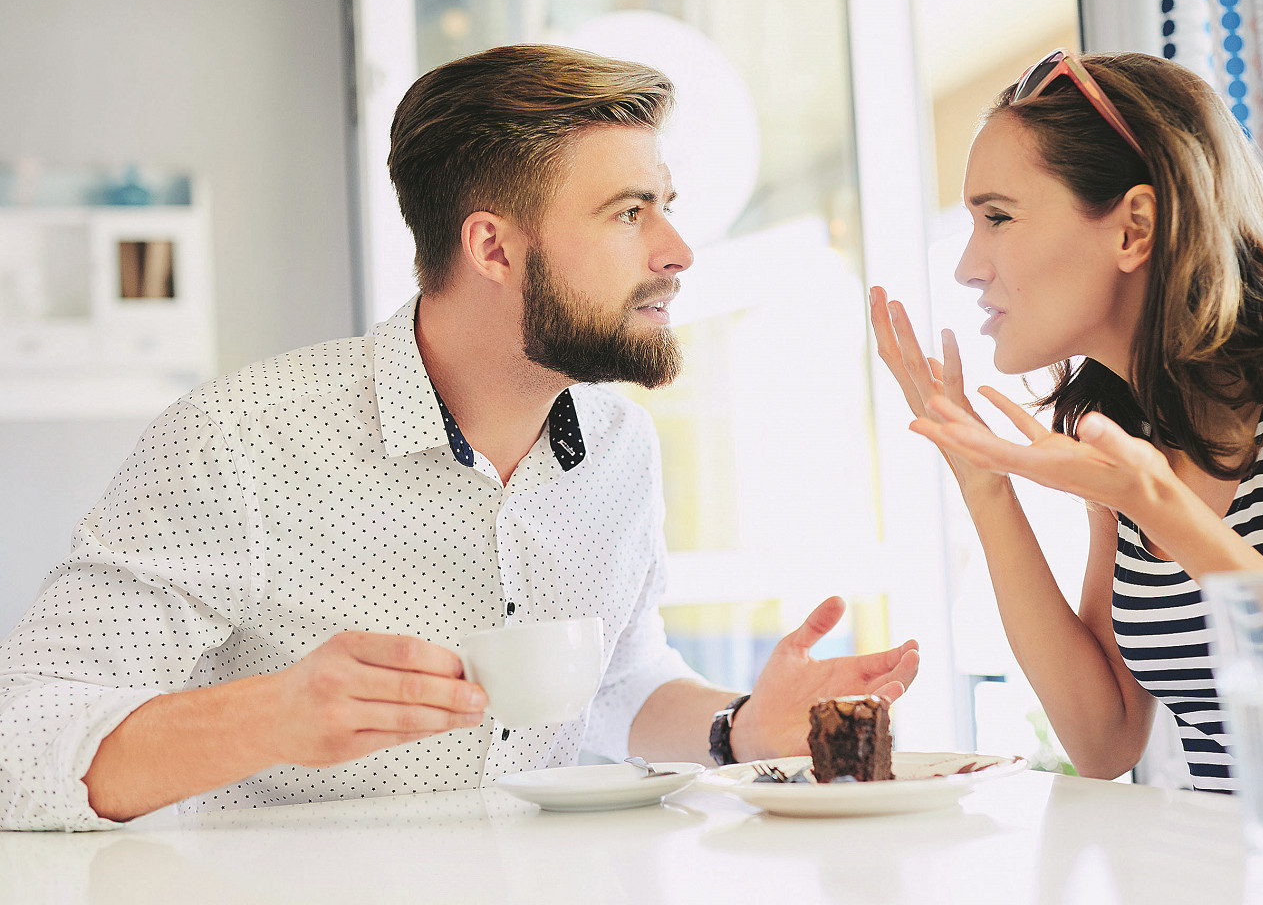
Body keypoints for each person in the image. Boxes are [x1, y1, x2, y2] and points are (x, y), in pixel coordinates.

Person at [0, 44, 919, 831]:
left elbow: (614, 682)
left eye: (666, 205)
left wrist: (741, 727)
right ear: (492, 249)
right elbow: (20, 741)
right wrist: (270, 716)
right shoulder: (239, 440)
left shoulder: (620, 447)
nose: (677, 250)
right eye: (629, 211)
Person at [870, 49, 1263, 821]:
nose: (968, 265)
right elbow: (1104, 738)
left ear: (1134, 227)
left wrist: (1163, 506)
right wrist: (982, 481)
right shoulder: (1129, 428)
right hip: (1249, 872)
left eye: (997, 217)